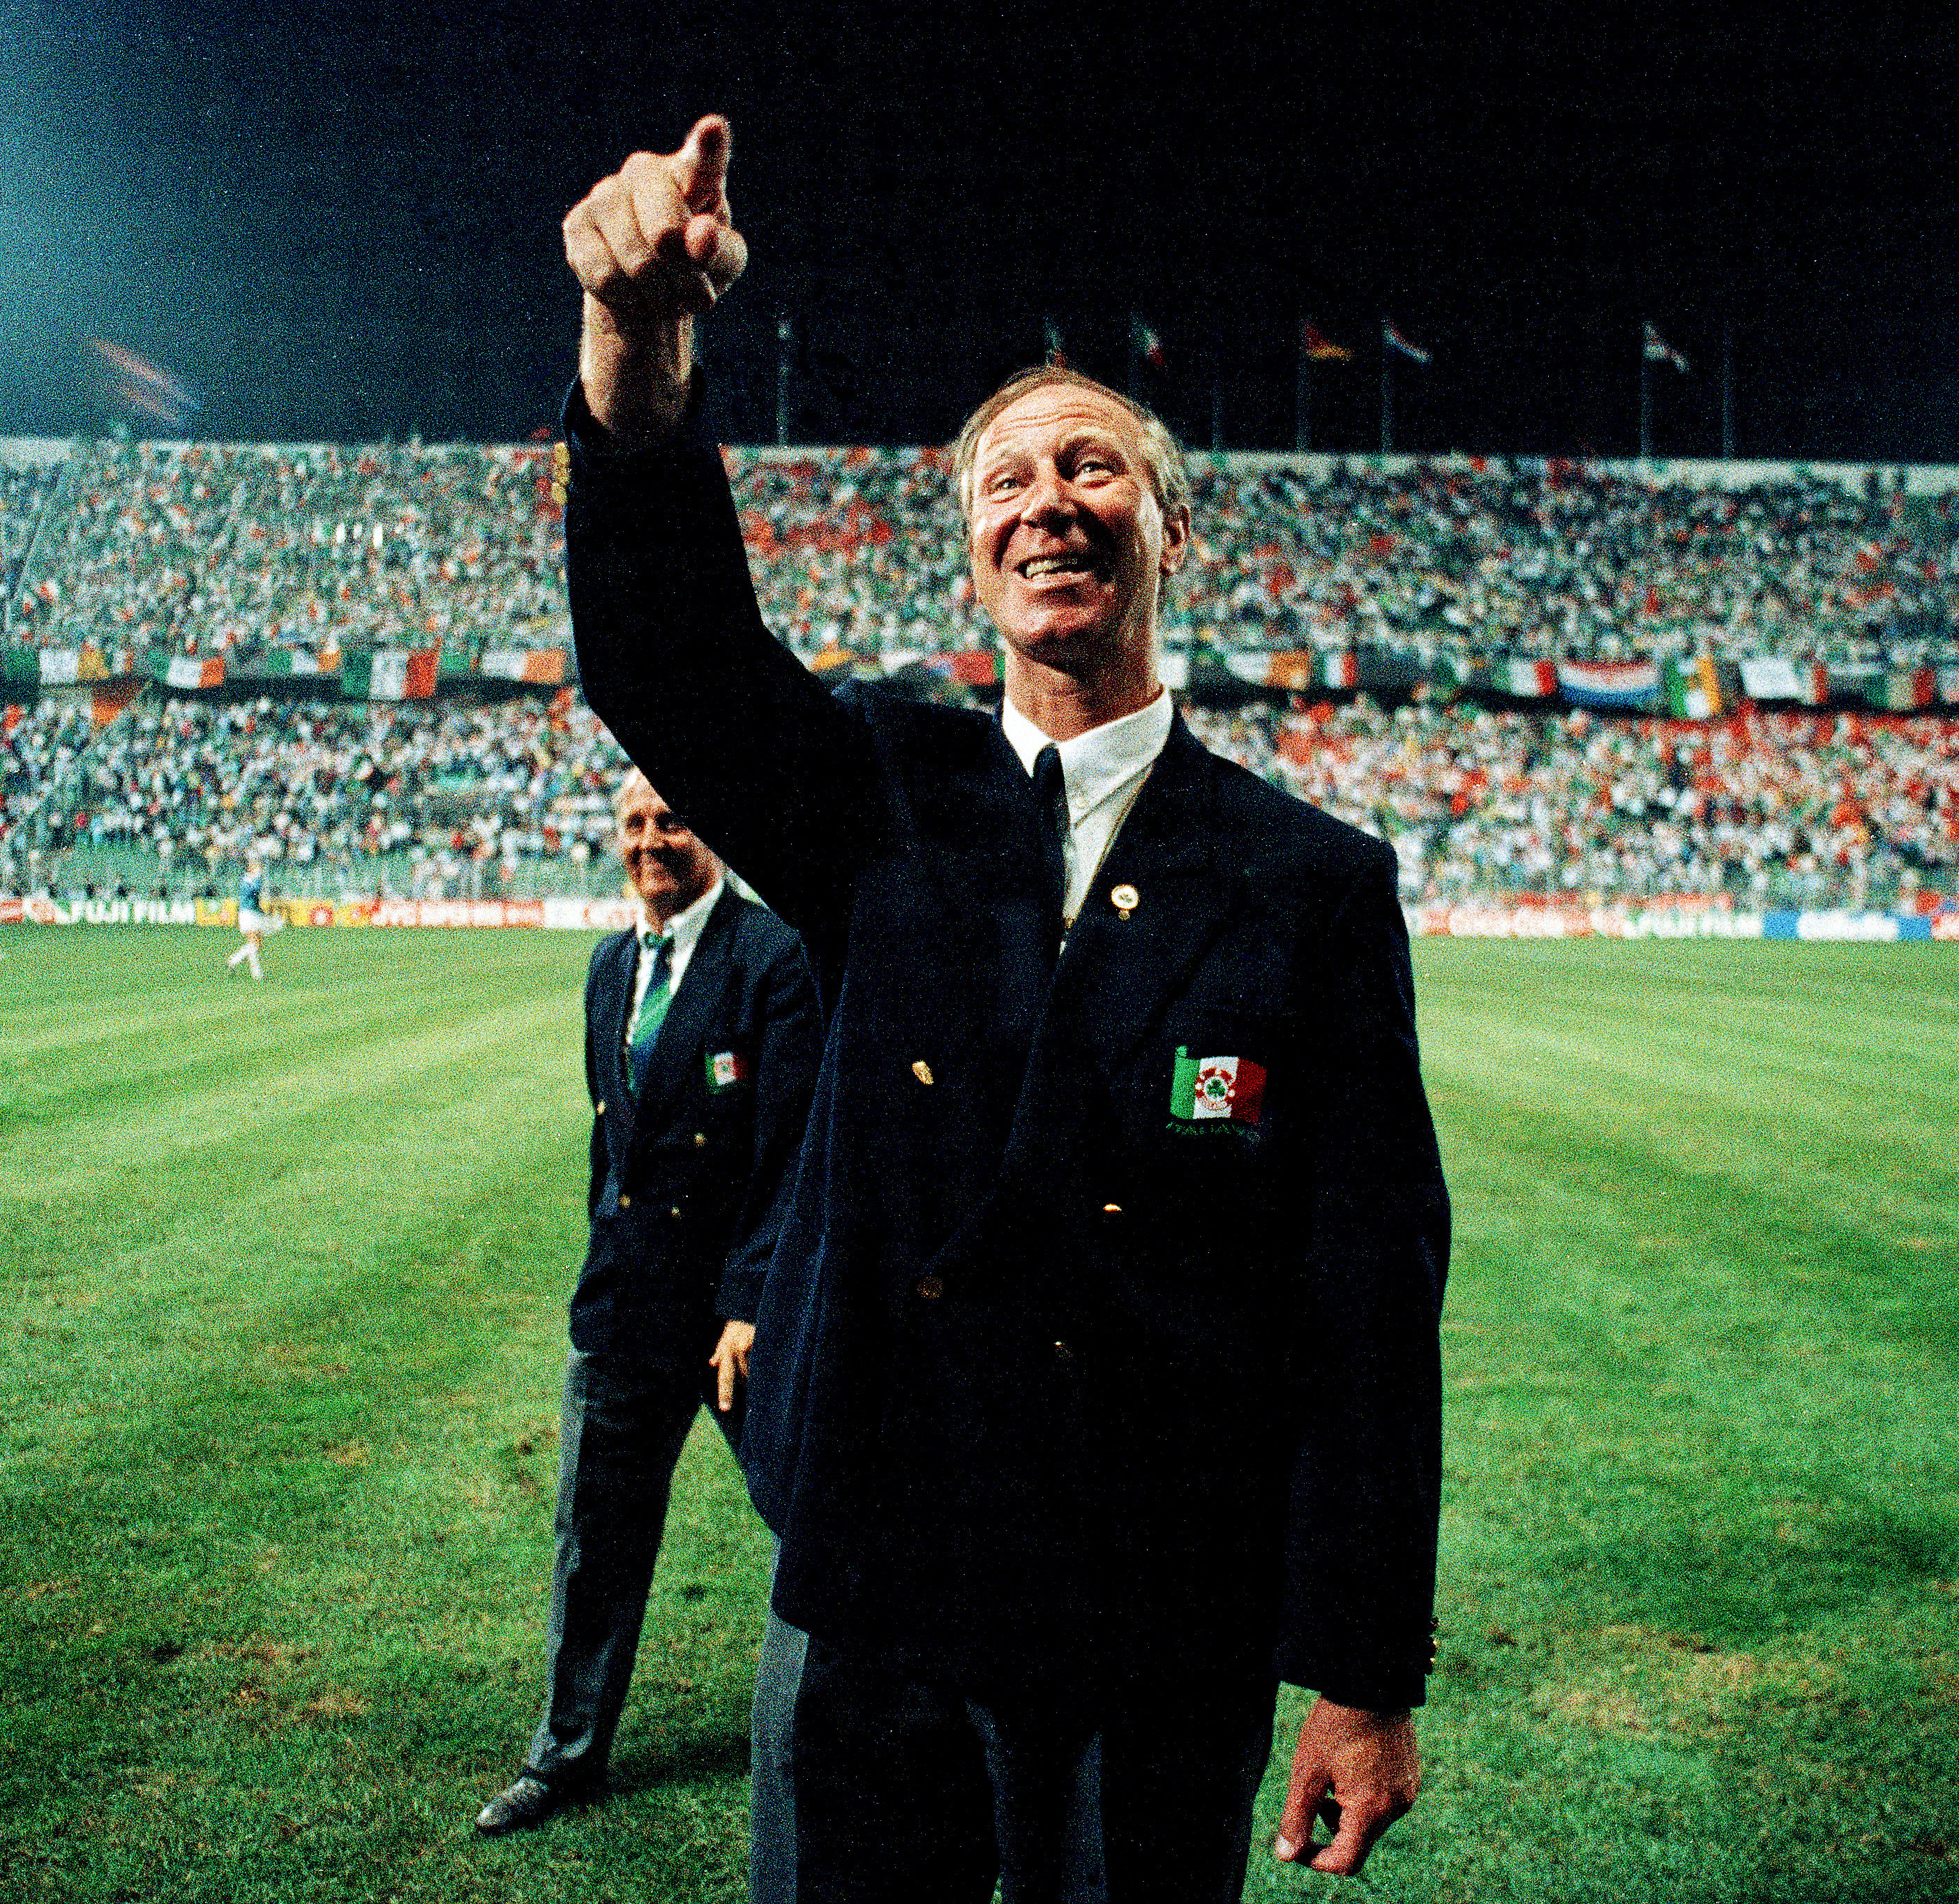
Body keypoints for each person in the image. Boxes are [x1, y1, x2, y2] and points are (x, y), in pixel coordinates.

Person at [556, 117, 1452, 1903]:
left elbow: (1368, 1290)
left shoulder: (1312, 881)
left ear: (1170, 527)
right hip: (880, 1592)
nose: (1047, 497)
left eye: (1093, 468)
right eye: (1003, 482)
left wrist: (1362, 1666)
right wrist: (640, 366)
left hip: (1158, 1622)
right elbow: (667, 659)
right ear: (972, 554)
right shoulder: (878, 786)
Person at [476, 770, 823, 1864]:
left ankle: (863, 1728)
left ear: (707, 826)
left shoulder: (774, 958)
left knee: (812, 1516)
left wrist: (752, 1301)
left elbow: (791, 1151)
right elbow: (609, 1142)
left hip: (732, 1323)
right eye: (632, 824)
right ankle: (565, 1752)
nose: (649, 840)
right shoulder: (609, 964)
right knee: (595, 1544)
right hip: (626, 1308)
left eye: (670, 818)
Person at [226, 850, 278, 980]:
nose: (258, 867)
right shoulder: (248, 880)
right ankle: (255, 973)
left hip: (254, 912)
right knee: (254, 942)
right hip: (248, 914)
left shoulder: (251, 879)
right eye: (255, 865)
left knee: (256, 944)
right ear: (250, 868)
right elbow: (254, 891)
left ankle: (235, 961)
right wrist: (260, 877)